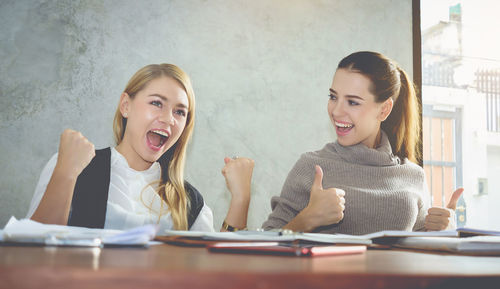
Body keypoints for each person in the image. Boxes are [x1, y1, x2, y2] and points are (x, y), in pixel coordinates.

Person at [26, 63, 254, 232]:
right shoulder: (72, 166)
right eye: (157, 103)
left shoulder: (191, 203)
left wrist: (241, 199)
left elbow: (217, 273)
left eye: (180, 112)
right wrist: (66, 174)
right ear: (126, 105)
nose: (168, 119)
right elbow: (31, 253)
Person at [261, 51, 463, 235]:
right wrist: (307, 219)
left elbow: (420, 251)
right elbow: (264, 246)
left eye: (353, 102)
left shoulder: (413, 176)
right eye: (333, 97)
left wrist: (445, 232)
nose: (336, 111)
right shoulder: (311, 167)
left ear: (384, 110)